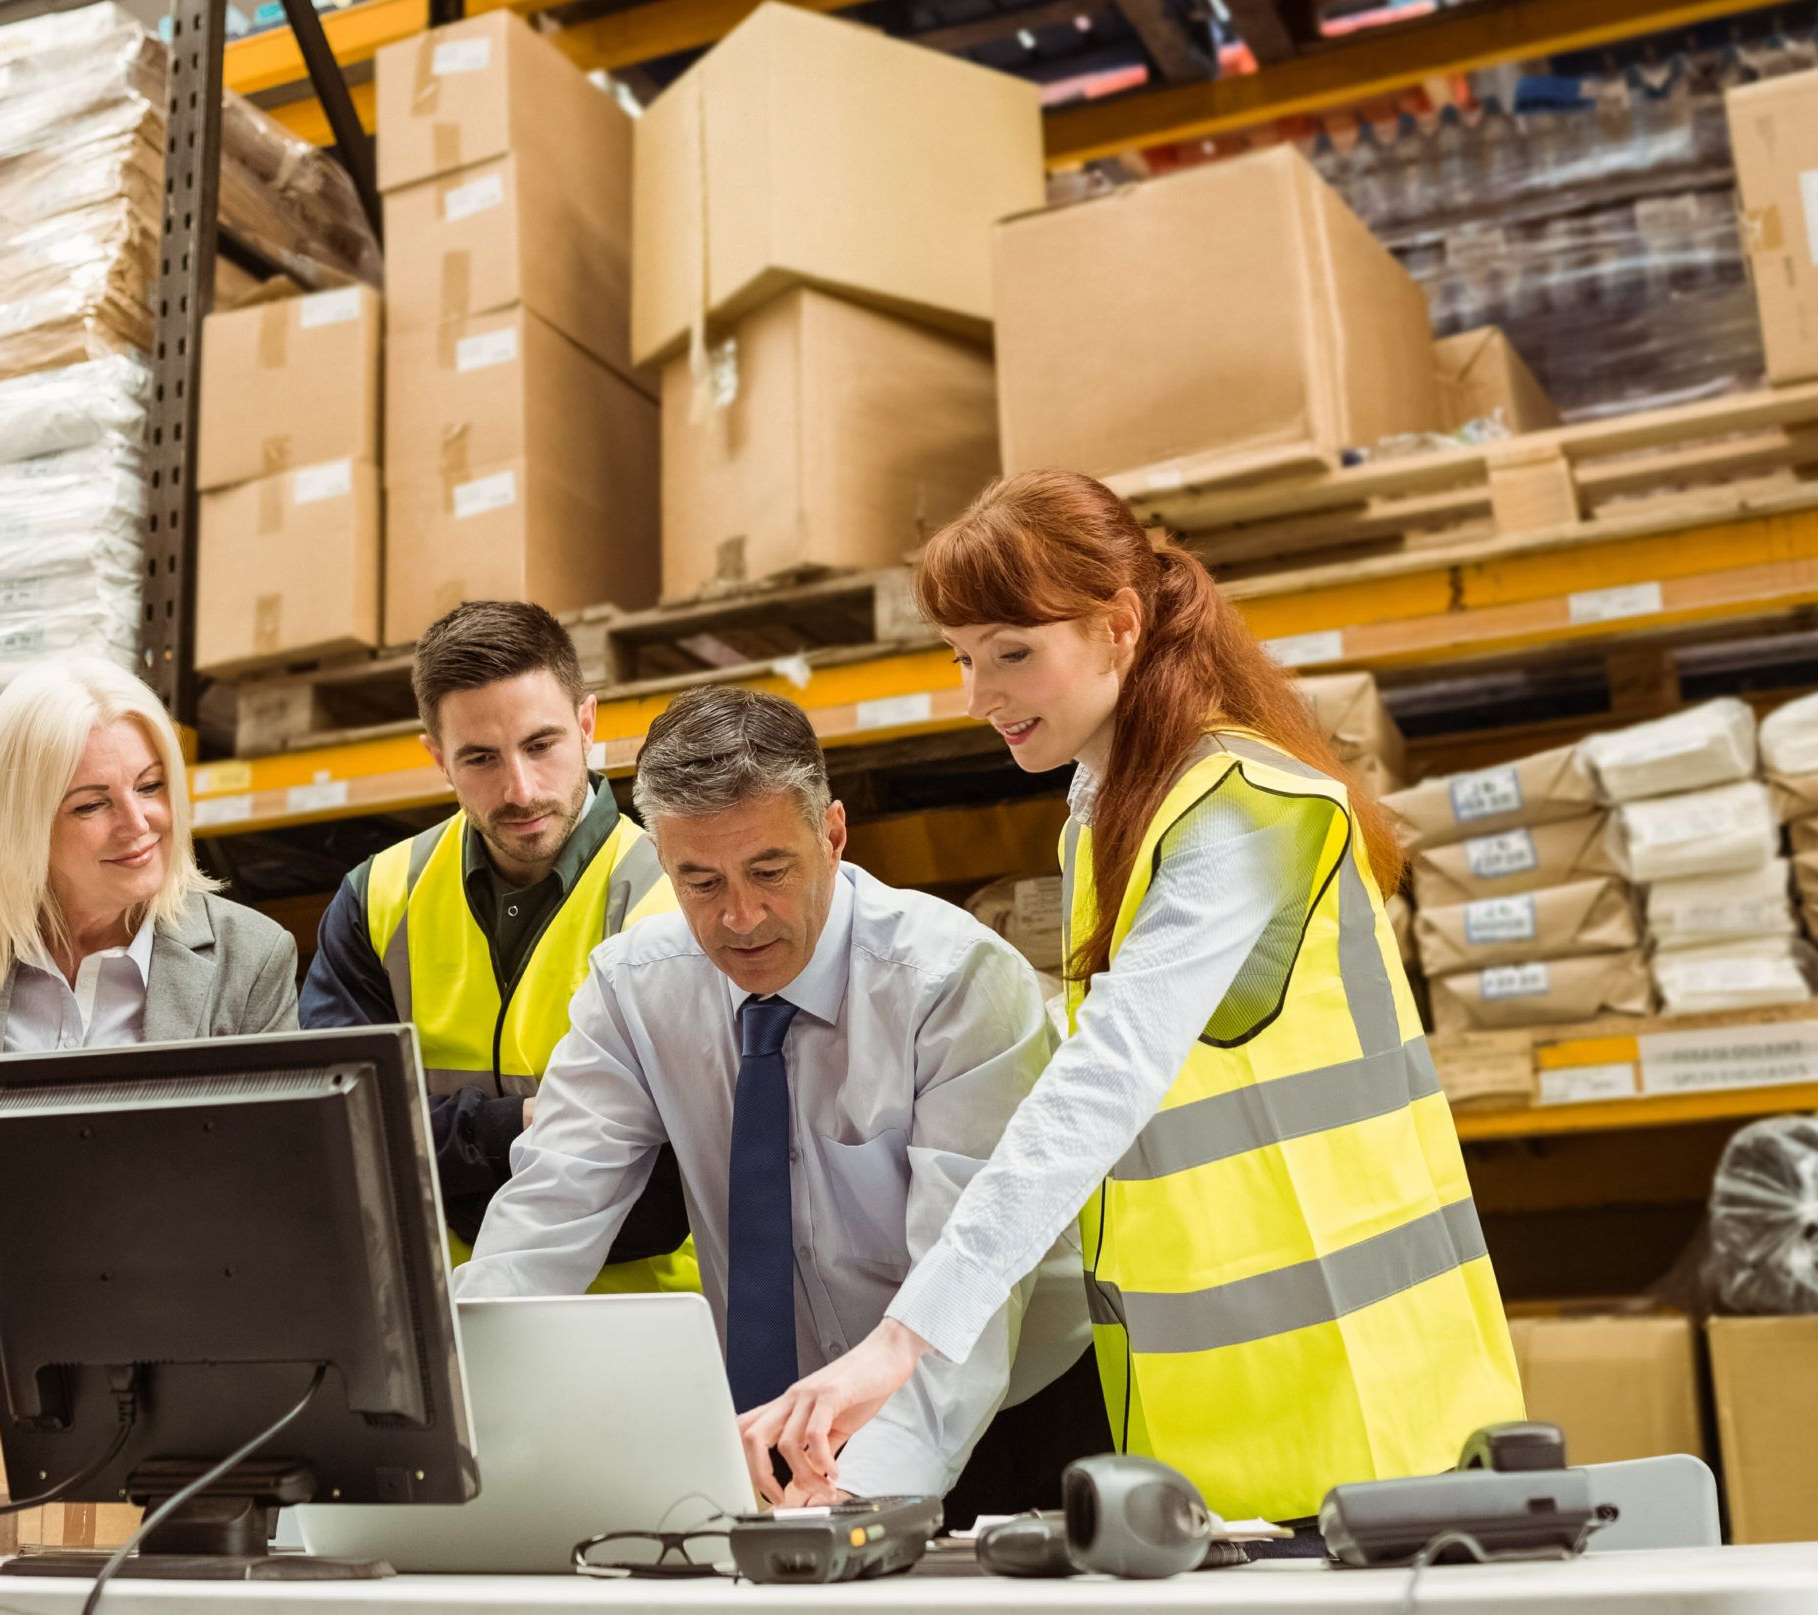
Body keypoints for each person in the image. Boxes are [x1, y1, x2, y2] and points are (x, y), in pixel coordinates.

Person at [739, 470, 1524, 1526]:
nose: (980, 693)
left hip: (1365, 1401)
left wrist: (903, 1339)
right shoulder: (1108, 811)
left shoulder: (1233, 811)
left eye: (1012, 652)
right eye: (963, 657)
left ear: (1118, 626)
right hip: (1223, 1414)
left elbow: (1103, 1082)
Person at [452, 685, 1095, 1509]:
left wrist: (846, 1507)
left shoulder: (953, 984)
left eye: (768, 870)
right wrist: (442, 1424)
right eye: (700, 881)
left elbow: (964, 1294)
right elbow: (542, 1218)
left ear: (831, 835)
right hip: (770, 1427)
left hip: (1002, 1416)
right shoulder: (636, 987)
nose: (740, 916)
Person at [300, 600, 695, 1293]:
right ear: (436, 757)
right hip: (446, 1326)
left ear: (587, 723)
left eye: (541, 745)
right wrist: (521, 1123)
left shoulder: (680, 897)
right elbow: (337, 1136)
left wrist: (444, 1142)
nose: (520, 789)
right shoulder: (377, 900)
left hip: (643, 1322)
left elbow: (668, 1170)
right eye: (480, 758)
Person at [0, 656, 299, 1183]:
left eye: (150, 786)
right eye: (92, 806)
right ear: (21, 826)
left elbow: (279, 1177)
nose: (138, 824)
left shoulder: (250, 956)